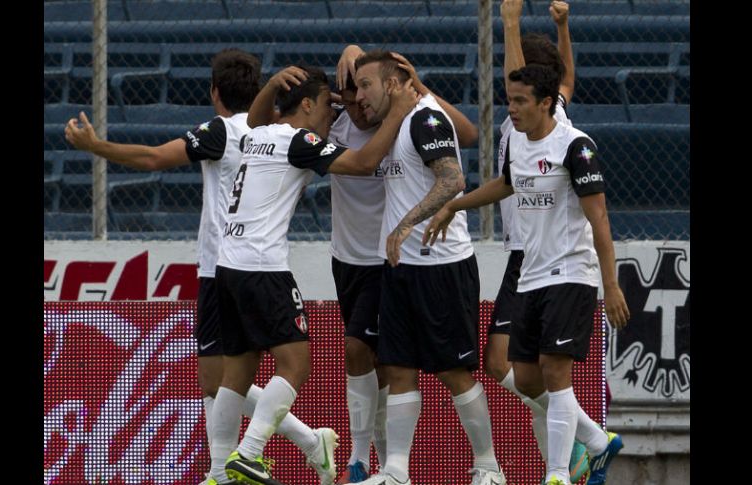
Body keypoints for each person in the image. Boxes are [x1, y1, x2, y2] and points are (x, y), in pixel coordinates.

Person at [64, 49, 339, 485]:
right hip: (245, 264)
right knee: (219, 377)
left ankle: (248, 460)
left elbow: (154, 158)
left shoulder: (225, 130)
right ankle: (249, 461)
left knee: (223, 376)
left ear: (215, 93)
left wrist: (96, 146)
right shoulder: (275, 131)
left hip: (222, 266)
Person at [247, 49, 479, 484]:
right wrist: (273, 85)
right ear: (337, 101)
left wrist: (417, 87)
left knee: (362, 350)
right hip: (346, 259)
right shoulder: (333, 125)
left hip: (384, 258)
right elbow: (258, 130)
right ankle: (384, 465)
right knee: (376, 362)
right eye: (348, 100)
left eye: (364, 94)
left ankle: (362, 460)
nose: (359, 107)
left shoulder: (403, 117)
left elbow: (465, 133)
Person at [209, 64, 419, 485]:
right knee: (296, 363)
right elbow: (362, 163)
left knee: (237, 373)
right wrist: (397, 112)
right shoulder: (298, 141)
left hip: (225, 265)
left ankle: (219, 473)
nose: (335, 116)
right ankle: (249, 454)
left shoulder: (255, 133)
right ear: (306, 104)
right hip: (262, 266)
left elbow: (253, 117)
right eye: (328, 106)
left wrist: (270, 86)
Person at [423, 63, 630, 485]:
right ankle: (596, 440)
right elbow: (506, 184)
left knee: (555, 371)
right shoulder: (518, 142)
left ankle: (555, 474)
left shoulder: (576, 147)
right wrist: (455, 204)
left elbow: (600, 219)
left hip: (572, 271)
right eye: (509, 100)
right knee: (529, 376)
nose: (512, 109)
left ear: (546, 102)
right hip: (531, 275)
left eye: (520, 101)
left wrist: (610, 285)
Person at [344, 50, 507, 485]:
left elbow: (453, 180)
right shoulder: (393, 123)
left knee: (452, 370)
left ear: (394, 84)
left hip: (440, 265)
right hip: (400, 267)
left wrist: (405, 224)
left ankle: (488, 466)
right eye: (357, 87)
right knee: (398, 368)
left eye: (367, 86)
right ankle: (396, 470)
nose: (360, 96)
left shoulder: (424, 118)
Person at [485, 1, 588, 482]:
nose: (511, 92)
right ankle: (583, 442)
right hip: (521, 248)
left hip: (536, 251)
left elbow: (517, 73)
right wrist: (563, 25)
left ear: (535, 92)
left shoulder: (532, 118)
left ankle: (572, 452)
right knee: (523, 374)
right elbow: (567, 77)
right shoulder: (551, 108)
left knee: (513, 365)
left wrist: (509, 22)